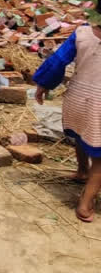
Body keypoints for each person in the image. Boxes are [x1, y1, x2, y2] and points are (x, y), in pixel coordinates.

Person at [33, 23, 101, 222]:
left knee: (80, 133)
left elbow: (58, 61)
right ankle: (86, 202)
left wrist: (43, 84)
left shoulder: (82, 32)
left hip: (77, 97)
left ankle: (82, 171)